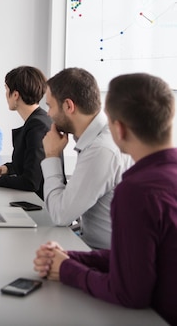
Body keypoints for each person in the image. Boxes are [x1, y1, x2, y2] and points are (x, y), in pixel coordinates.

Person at [33, 73, 177, 325]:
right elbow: (141, 254)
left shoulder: (135, 189)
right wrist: (73, 258)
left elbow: (130, 293)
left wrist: (67, 270)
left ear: (118, 128)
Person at [40, 67, 132, 250]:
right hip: (88, 241)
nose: (48, 114)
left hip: (104, 257)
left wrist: (51, 156)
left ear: (68, 106)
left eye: (50, 106)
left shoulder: (101, 150)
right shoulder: (98, 138)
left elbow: (60, 215)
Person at [0, 66, 51, 199]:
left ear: (15, 95)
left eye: (6, 90)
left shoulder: (38, 127)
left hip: (41, 208)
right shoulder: (39, 120)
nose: (6, 95)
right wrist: (2, 170)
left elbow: (31, 182)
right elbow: (29, 164)